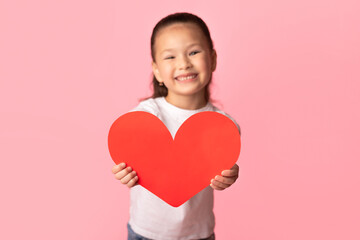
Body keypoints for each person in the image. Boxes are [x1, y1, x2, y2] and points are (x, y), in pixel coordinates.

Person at [111, 12, 241, 240]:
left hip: (199, 235)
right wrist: (124, 172)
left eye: (193, 52)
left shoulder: (224, 127)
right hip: (145, 233)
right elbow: (126, 150)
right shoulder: (145, 117)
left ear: (213, 59)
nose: (183, 63)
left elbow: (220, 169)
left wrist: (228, 176)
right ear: (157, 70)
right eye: (170, 57)